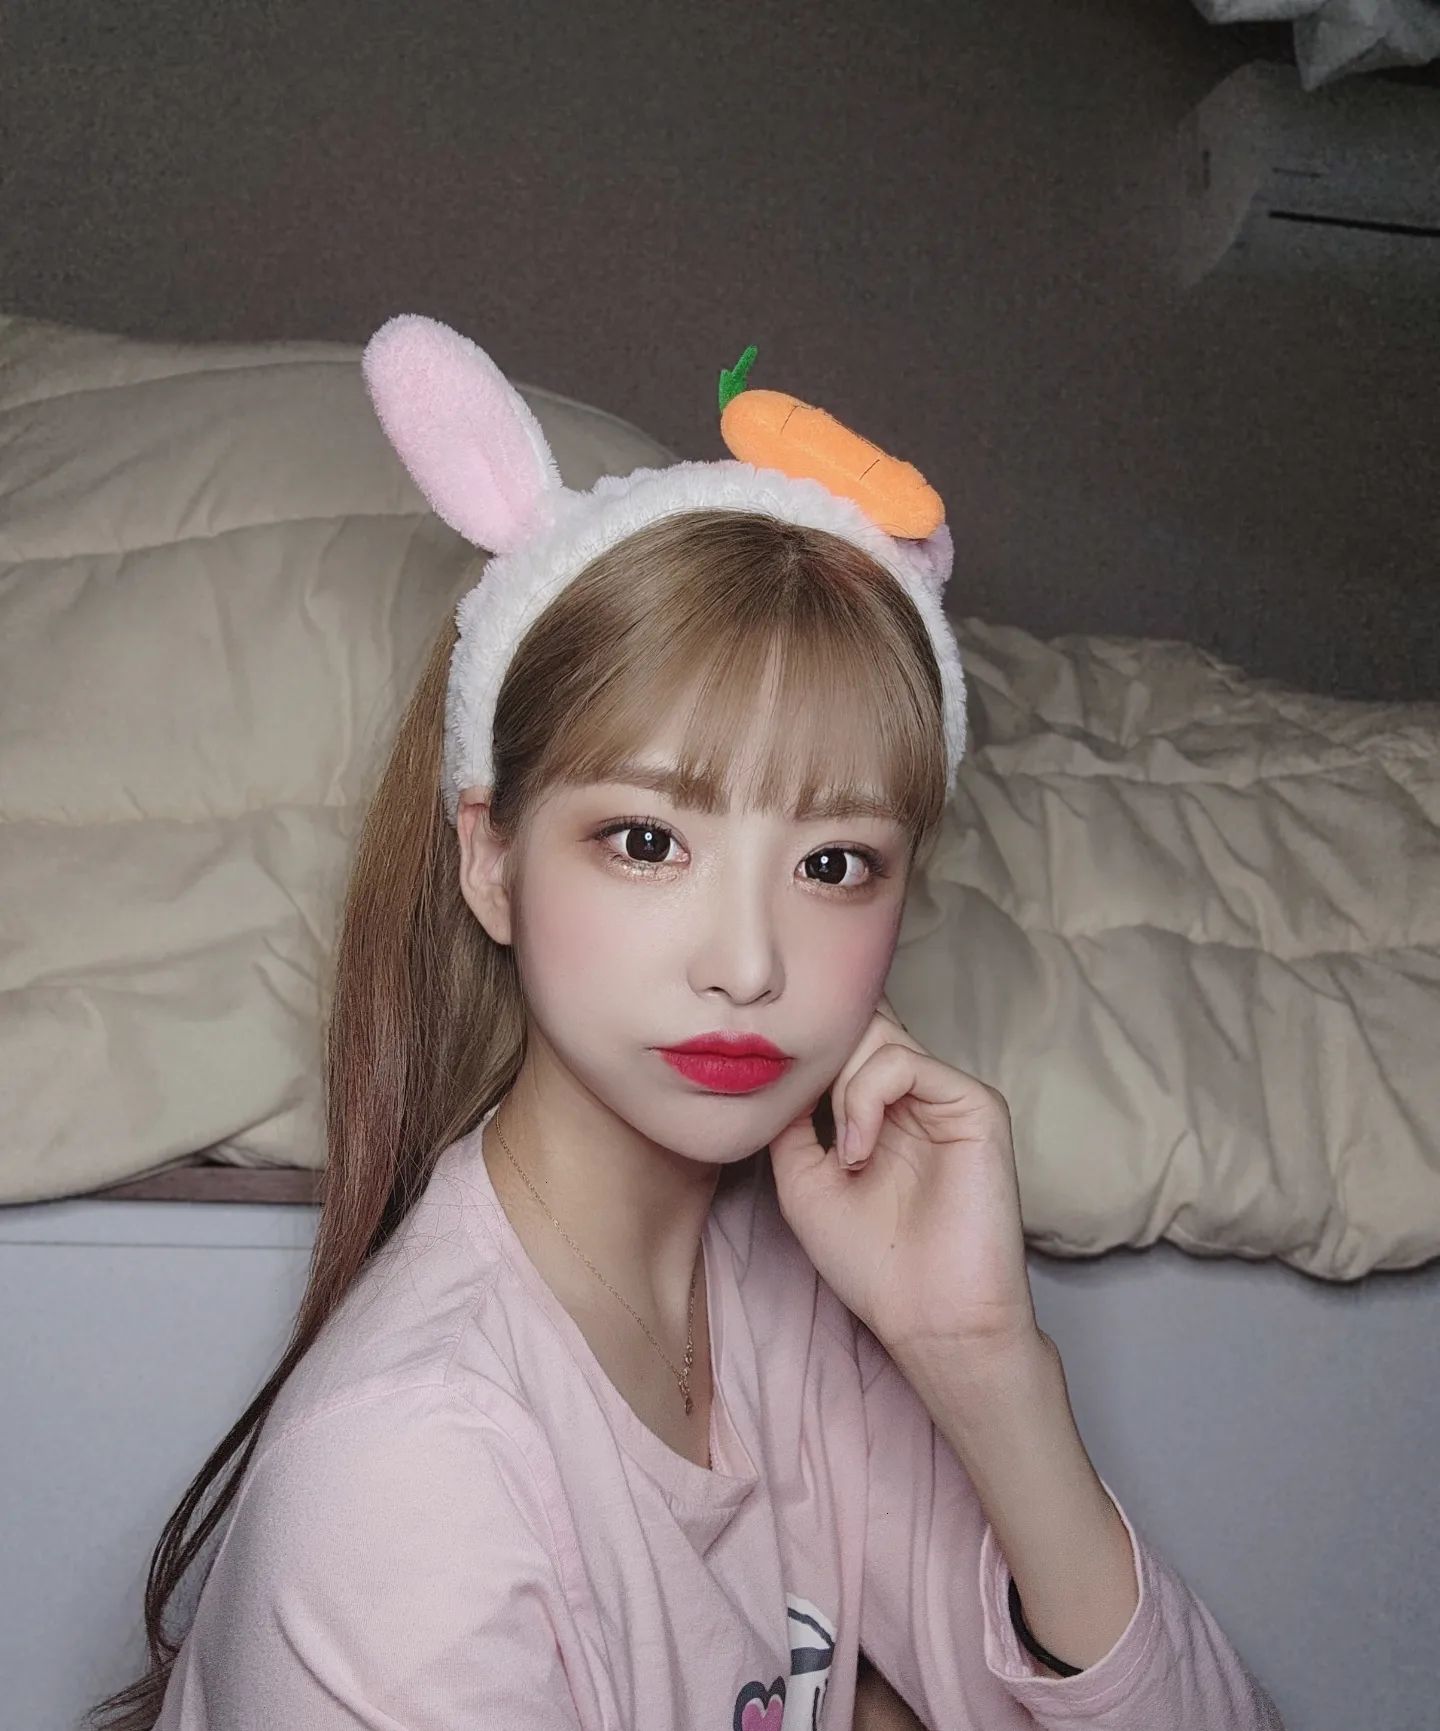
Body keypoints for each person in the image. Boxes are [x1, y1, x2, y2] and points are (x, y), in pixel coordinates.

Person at [90, 319, 1285, 1730]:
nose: (749, 963)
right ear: (491, 859)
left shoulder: (797, 1302)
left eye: (833, 863)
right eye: (649, 841)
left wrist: (982, 1360)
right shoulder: (411, 1473)